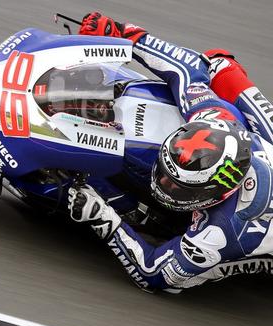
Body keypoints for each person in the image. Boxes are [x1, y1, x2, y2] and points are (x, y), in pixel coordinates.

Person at [67, 12, 273, 293]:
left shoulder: (220, 234)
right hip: (266, 148)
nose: (161, 182)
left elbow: (152, 275)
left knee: (189, 262)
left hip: (249, 234)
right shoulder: (217, 118)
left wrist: (105, 219)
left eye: (177, 185)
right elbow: (187, 69)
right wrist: (123, 34)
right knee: (218, 64)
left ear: (216, 193)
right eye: (166, 175)